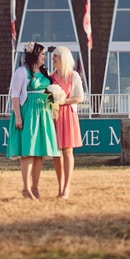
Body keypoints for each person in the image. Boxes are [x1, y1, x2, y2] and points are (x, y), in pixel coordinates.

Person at [6, 41, 60, 200]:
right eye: (42, 54)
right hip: (28, 112)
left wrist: (53, 106)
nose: (44, 56)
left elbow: (49, 91)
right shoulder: (21, 72)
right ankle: (25, 188)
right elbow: (15, 95)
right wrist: (18, 117)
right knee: (28, 153)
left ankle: (35, 187)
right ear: (35, 55)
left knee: (39, 154)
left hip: (43, 113)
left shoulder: (45, 73)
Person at [50, 46, 85, 199]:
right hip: (55, 115)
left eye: (55, 57)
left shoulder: (74, 76)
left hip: (68, 115)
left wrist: (64, 101)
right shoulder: (51, 77)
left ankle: (67, 187)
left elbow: (80, 97)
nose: (53, 59)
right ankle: (59, 186)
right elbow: (48, 97)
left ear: (62, 57)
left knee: (68, 151)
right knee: (56, 153)